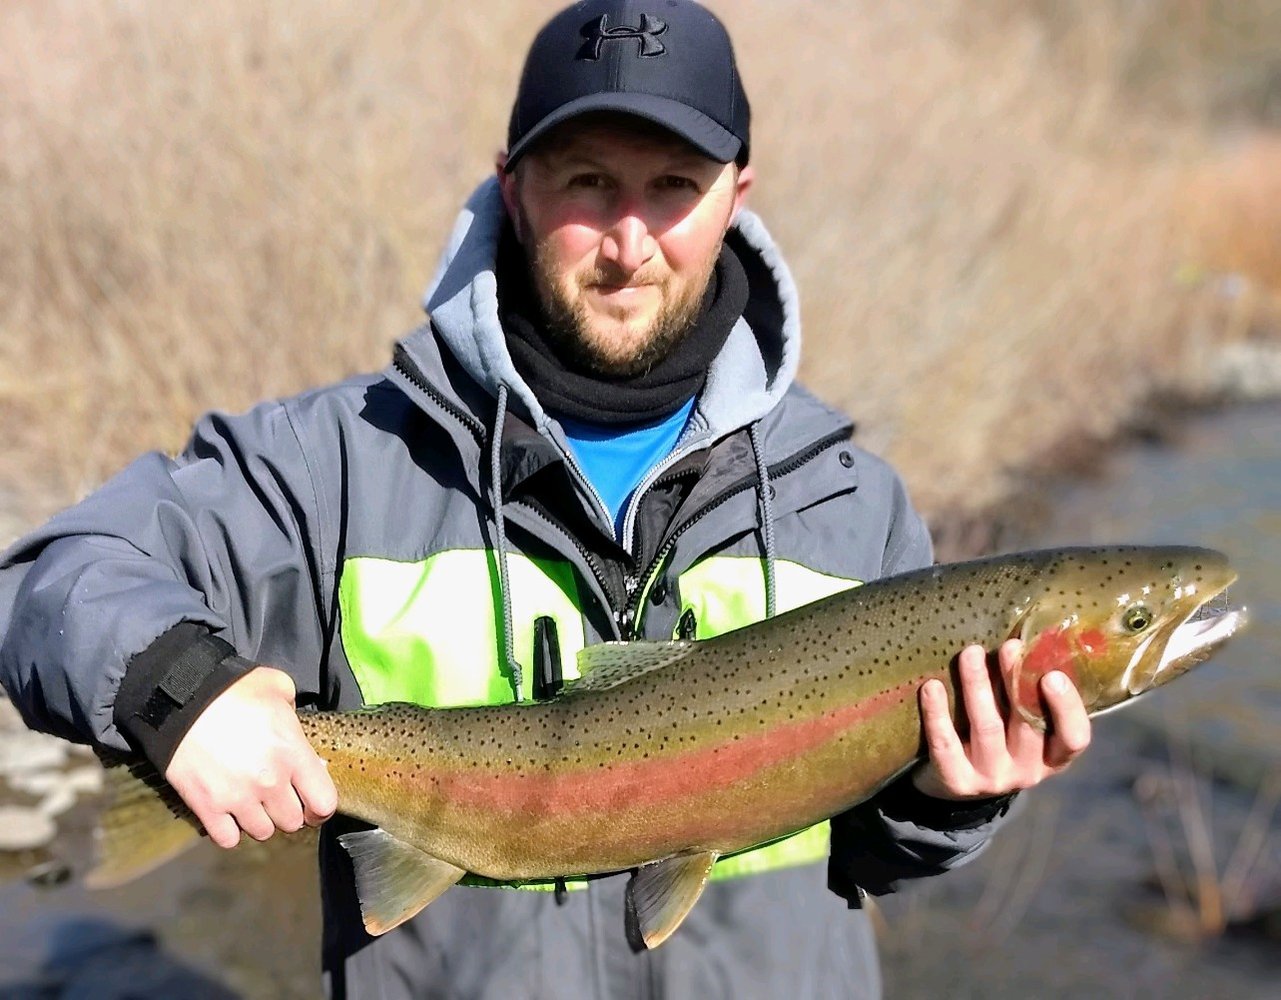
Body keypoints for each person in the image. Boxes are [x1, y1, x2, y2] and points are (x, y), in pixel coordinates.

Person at [0, 2, 1091, 997]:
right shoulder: (342, 461)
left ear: (737, 195)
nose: (628, 243)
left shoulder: (852, 501)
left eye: (672, 188)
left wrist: (953, 800)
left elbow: (871, 854)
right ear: (512, 184)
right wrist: (178, 692)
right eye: (587, 183)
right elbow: (53, 576)